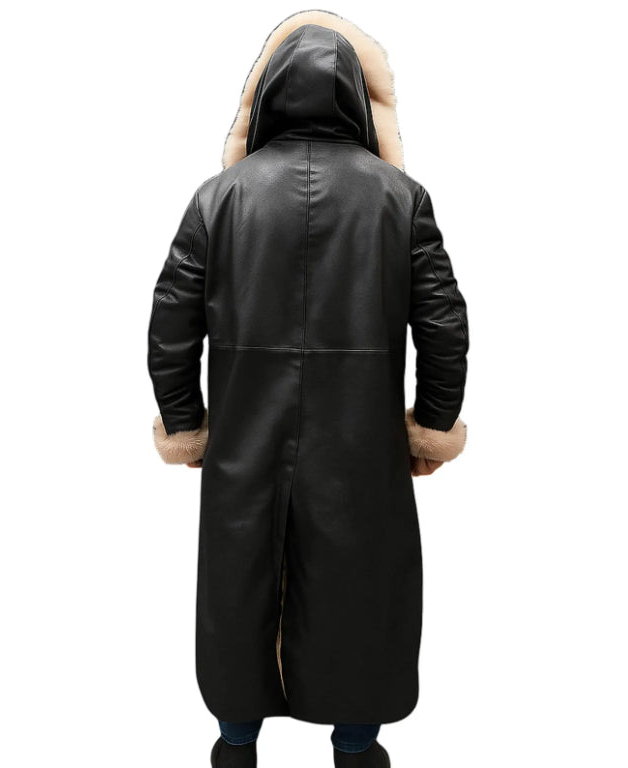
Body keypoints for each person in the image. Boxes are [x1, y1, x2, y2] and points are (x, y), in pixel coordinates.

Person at [147, 10, 469, 768]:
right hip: (362, 448)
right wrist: (431, 424)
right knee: (360, 591)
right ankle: (355, 750)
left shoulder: (218, 198)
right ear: (357, 98)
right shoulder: (400, 197)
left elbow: (170, 323)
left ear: (266, 99)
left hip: (244, 444)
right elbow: (444, 325)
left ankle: (236, 746)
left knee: (241, 591)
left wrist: (187, 424)